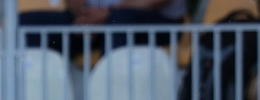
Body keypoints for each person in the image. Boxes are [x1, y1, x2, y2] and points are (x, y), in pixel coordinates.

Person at [19, 0, 187, 59]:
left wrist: (107, 14)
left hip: (155, 22)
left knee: (120, 19)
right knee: (24, 24)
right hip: (93, 21)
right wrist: (85, 16)